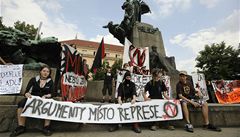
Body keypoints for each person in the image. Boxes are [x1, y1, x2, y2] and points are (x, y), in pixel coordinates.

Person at [10, 65, 55, 137]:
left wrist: (46, 96)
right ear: (40, 71)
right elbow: (26, 91)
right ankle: (21, 126)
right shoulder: (33, 80)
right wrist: (27, 94)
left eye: (47, 71)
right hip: (33, 99)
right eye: (44, 71)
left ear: (49, 73)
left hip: (44, 100)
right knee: (21, 103)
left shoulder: (50, 82)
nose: (45, 73)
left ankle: (46, 127)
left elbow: (52, 93)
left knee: (49, 104)